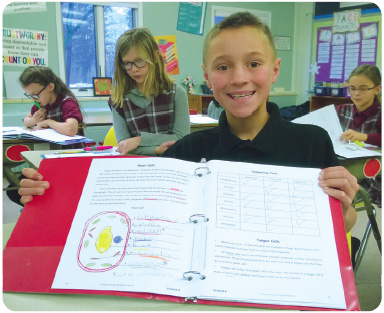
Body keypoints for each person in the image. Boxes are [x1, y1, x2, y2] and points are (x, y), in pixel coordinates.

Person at [18, 13, 358, 232]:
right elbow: (130, 206)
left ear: (275, 69)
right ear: (208, 78)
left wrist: (344, 209)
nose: (239, 78)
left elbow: (341, 225)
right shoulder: (189, 151)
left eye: (254, 63)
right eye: (223, 67)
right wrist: (52, 191)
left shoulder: (313, 142)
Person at [108, 28, 190, 156]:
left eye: (140, 61)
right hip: (137, 168)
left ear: (156, 57)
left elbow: (181, 138)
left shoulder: (176, 93)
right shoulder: (118, 99)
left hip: (172, 165)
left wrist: (139, 140)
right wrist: (155, 150)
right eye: (127, 63)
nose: (134, 69)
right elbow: (124, 146)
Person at [337, 64, 381, 207]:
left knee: (339, 197)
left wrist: (364, 137)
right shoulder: (341, 110)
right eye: (352, 89)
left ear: (377, 89)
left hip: (372, 178)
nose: (356, 93)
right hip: (344, 168)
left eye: (363, 89)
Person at [21, 66, 85, 145]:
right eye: (31, 96)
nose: (34, 100)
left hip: (71, 152)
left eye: (36, 95)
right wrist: (34, 120)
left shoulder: (67, 103)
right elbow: (26, 121)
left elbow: (71, 129)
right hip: (51, 150)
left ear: (50, 87)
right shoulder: (41, 103)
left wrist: (48, 122)